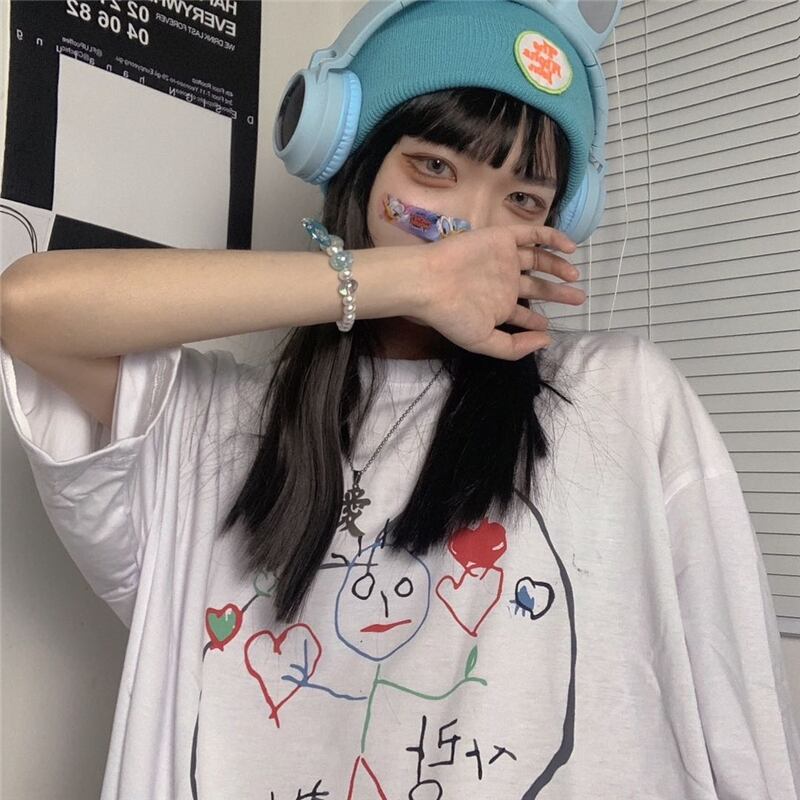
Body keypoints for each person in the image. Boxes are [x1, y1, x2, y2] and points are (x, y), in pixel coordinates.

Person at [1, 1, 798, 798]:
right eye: (435, 168)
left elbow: (741, 724)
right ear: (354, 160)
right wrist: (405, 279)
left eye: (523, 200)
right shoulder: (213, 429)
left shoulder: (624, 399)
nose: (473, 230)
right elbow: (29, 306)